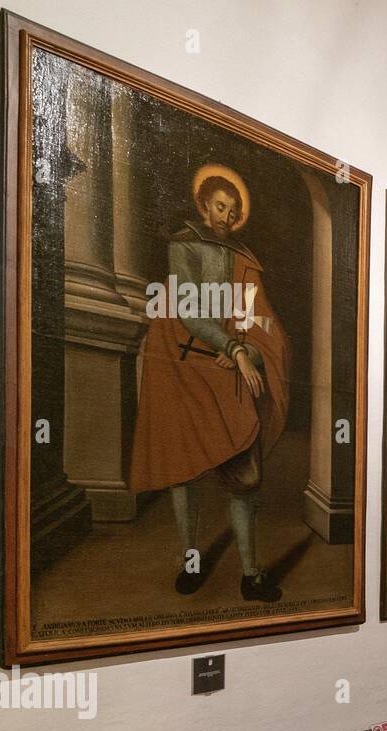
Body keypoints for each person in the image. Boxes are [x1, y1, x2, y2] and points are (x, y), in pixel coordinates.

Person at [130, 165, 291, 601]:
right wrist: (232, 346)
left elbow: (261, 318)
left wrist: (247, 347)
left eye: (233, 209)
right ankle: (192, 562)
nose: (226, 214)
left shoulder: (244, 256)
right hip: (182, 365)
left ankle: (251, 574)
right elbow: (186, 309)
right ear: (204, 205)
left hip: (226, 364)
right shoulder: (184, 244)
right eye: (220, 206)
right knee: (184, 472)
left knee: (245, 472)